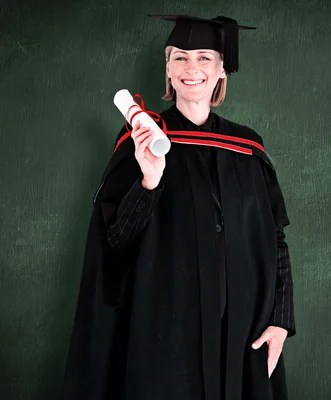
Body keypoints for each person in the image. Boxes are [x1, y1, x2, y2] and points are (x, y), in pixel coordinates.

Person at [61, 14, 296, 400]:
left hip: (242, 333)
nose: (192, 68)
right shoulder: (142, 140)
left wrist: (280, 322)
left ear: (222, 69)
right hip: (165, 335)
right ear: (167, 69)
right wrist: (149, 180)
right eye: (180, 57)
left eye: (204, 57)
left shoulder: (248, 149)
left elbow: (274, 238)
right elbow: (114, 241)